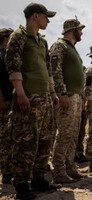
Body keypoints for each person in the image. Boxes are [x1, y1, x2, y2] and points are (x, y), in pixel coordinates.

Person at [5, 3, 59, 199]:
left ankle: (38, 179)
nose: (48, 20)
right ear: (35, 16)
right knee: (25, 142)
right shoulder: (18, 37)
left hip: (44, 97)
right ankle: (21, 187)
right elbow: (13, 65)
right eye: (46, 17)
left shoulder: (42, 42)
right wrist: (20, 93)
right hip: (28, 97)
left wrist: (52, 92)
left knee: (45, 140)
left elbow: (48, 69)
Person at [50, 18, 86, 183]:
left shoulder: (73, 49)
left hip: (76, 96)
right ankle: (58, 170)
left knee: (73, 134)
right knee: (64, 133)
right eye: (80, 29)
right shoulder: (60, 45)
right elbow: (55, 70)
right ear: (73, 29)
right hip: (67, 95)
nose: (82, 32)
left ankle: (70, 166)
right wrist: (62, 93)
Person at [0, 27, 14, 185]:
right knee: (5, 140)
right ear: (5, 39)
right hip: (4, 103)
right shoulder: (0, 55)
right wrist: (1, 102)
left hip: (11, 102)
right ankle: (6, 173)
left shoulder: (7, 55)